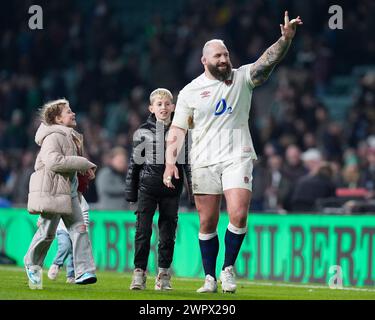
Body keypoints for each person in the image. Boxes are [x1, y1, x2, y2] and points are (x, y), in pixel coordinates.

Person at [163, 12, 302, 293]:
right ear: (205, 61)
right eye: (218, 56)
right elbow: (177, 131)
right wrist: (169, 163)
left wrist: (285, 40)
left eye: (226, 54)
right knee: (207, 221)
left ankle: (227, 269)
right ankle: (209, 278)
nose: (224, 60)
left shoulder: (242, 78)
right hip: (202, 160)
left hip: (237, 155)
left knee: (238, 214)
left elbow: (267, 62)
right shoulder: (190, 91)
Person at [24, 98, 97, 289]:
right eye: (68, 112)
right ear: (57, 119)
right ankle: (32, 264)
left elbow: (67, 162)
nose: (73, 114)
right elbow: (53, 162)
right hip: (54, 191)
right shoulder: (53, 136)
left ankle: (83, 272)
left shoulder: (70, 135)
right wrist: (83, 163)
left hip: (68, 191)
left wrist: (82, 171)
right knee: (47, 234)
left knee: (80, 228)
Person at [125, 88, 192, 291]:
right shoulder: (142, 132)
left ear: (173, 107)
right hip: (147, 188)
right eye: (159, 104)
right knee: (143, 233)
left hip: (172, 191)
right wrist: (131, 192)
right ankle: (139, 273)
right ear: (151, 108)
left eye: (166, 104)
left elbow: (187, 164)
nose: (163, 107)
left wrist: (193, 192)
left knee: (167, 234)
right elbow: (134, 164)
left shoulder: (181, 132)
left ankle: (163, 274)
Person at [47, 196, 90, 283]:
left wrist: (84, 228)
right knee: (65, 246)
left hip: (76, 231)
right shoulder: (62, 196)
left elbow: (84, 213)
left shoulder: (80, 198)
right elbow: (51, 209)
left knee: (74, 253)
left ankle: (71, 276)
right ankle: (56, 264)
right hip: (62, 229)